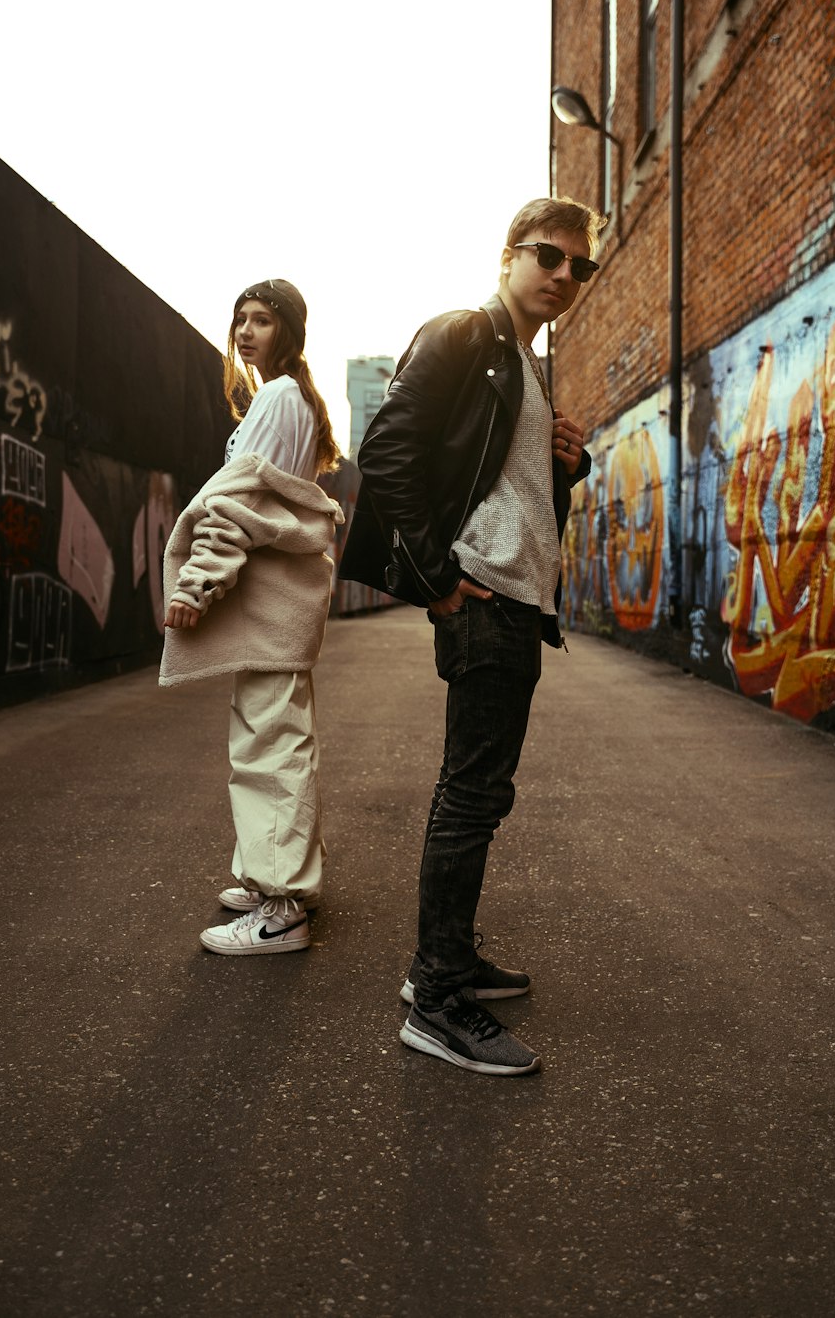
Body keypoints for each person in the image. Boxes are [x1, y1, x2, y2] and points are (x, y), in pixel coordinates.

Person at [340, 197, 605, 1074]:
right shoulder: (463, 334)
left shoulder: (525, 367)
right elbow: (386, 452)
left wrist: (569, 466)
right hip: (482, 595)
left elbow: (514, 492)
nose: (565, 275)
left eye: (580, 265)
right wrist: (434, 577)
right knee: (471, 792)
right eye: (549, 256)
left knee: (481, 792)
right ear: (506, 257)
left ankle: (449, 963)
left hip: (516, 598)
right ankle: (439, 993)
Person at [160, 279, 342, 956]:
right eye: (239, 319)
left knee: (267, 751)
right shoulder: (294, 400)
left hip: (268, 607)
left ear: (288, 331)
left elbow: (237, 505)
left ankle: (280, 907)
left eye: (261, 320)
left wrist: (197, 583)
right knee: (279, 742)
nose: (244, 331)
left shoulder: (275, 398)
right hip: (278, 607)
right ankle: (277, 878)